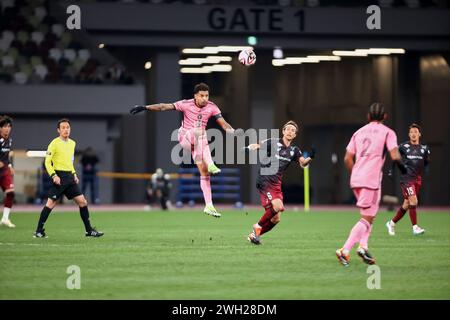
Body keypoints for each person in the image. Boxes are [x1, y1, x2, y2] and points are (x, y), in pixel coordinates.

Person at [130, 82, 243, 218]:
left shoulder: (212, 107)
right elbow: (164, 107)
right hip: (185, 138)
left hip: (198, 144)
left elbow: (223, 123)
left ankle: (209, 205)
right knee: (200, 131)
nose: (205, 98)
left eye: (207, 95)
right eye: (202, 95)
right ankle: (212, 163)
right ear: (195, 96)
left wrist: (234, 132)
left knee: (204, 173)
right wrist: (145, 107)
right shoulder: (186, 104)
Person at [336, 102, 407, 267]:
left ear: (368, 117)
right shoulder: (388, 132)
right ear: (385, 117)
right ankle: (344, 250)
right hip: (371, 179)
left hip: (357, 178)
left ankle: (363, 247)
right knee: (367, 218)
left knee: (369, 215)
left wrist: (356, 173)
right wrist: (403, 168)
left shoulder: (358, 132)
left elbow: (347, 158)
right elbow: (395, 155)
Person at [244, 120, 315, 245]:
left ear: (295, 135)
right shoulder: (274, 142)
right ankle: (257, 226)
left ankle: (254, 236)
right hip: (265, 180)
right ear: (283, 131)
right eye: (287, 129)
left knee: (276, 218)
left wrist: (311, 157)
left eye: (293, 130)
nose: (290, 132)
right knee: (278, 207)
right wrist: (248, 148)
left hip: (276, 184)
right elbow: (258, 145)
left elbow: (303, 163)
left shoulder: (294, 150)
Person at [33, 119, 104, 238]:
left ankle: (89, 230)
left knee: (83, 202)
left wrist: (74, 174)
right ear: (58, 130)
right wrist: (54, 176)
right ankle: (39, 231)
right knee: (50, 204)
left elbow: (70, 161)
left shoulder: (72, 143)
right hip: (59, 177)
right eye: (63, 128)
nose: (66, 130)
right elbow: (47, 162)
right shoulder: (54, 143)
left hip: (69, 177)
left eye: (68, 127)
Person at [386, 123, 430, 236]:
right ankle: (415, 227)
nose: (413, 134)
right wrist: (391, 170)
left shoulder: (424, 149)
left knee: (407, 204)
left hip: (417, 179)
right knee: (414, 201)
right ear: (409, 134)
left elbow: (426, 162)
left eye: (415, 132)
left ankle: (391, 223)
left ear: (419, 134)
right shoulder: (403, 147)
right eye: (411, 132)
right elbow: (394, 157)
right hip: (406, 179)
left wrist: (427, 170)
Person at [0, 115, 15, 228]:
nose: (7, 128)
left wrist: (9, 165)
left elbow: (6, 155)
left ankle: (5, 218)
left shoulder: (9, 140)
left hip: (4, 171)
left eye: (9, 126)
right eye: (5, 126)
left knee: (11, 193)